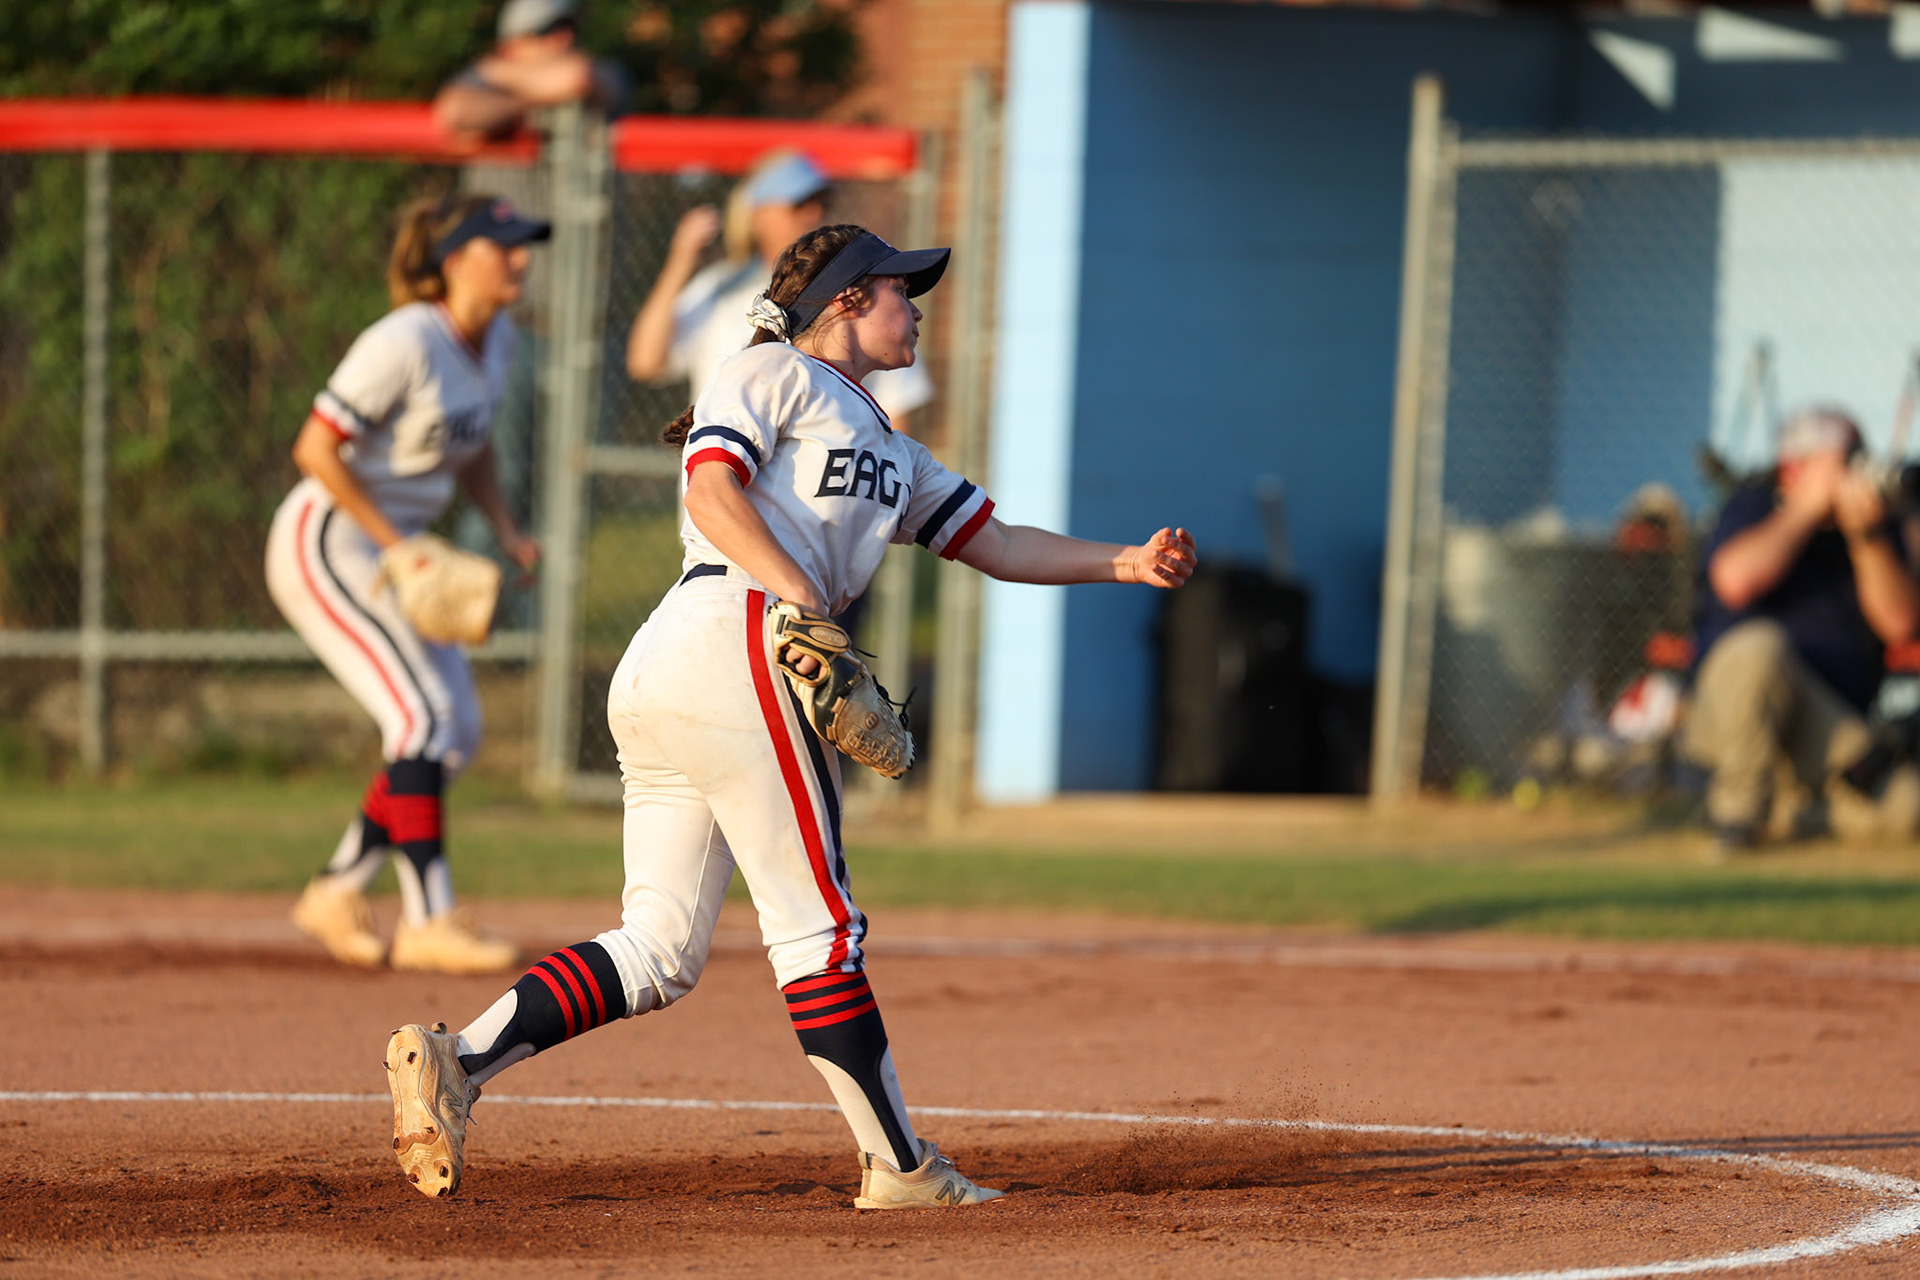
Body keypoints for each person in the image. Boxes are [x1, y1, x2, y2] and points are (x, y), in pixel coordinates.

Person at [384, 223, 1198, 1208]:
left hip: (700, 662)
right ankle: (901, 1167)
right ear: (849, 301)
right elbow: (713, 487)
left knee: (659, 947)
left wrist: (1125, 561)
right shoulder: (768, 370)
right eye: (903, 290)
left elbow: (1000, 540)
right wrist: (796, 603)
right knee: (821, 929)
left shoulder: (894, 446)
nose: (919, 306)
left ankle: (458, 1059)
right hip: (730, 637)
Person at [267, 195, 548, 973]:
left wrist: (504, 526)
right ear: (457, 259)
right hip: (330, 541)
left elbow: (477, 447)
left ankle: (336, 888)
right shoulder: (405, 340)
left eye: (525, 245)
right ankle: (428, 919)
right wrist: (401, 546)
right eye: (506, 246)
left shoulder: (498, 342)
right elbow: (316, 448)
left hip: (396, 549)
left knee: (453, 731)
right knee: (420, 719)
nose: (521, 259)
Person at [1686, 407, 1920, 848]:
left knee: (1909, 808)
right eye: (1844, 460)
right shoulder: (1752, 505)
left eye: (1859, 456)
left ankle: (1785, 808)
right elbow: (1736, 581)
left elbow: (1902, 624)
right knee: (1761, 648)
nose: (1856, 468)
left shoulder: (1874, 526)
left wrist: (1866, 538)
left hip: (1825, 720)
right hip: (1735, 712)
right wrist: (1806, 508)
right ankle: (1736, 817)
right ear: (1795, 466)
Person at [625, 150, 936, 430]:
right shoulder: (720, 287)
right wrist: (681, 261)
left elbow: (895, 414)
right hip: (723, 482)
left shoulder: (857, 294)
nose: (814, 214)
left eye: (821, 203)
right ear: (759, 215)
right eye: (798, 204)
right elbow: (646, 362)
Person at [432, 0, 628, 146]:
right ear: (511, 46)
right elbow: (454, 111)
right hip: (506, 200)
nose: (564, 38)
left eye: (569, 27)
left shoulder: (604, 71)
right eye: (548, 30)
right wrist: (535, 105)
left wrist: (499, 73)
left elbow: (577, 77)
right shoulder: (483, 81)